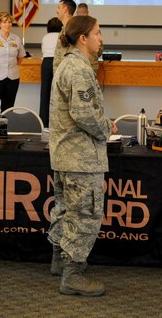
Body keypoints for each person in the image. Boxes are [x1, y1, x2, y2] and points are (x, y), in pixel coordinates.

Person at [47, 15, 116, 297]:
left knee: (64, 210)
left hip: (66, 154)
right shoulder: (79, 69)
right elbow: (84, 112)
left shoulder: (69, 64)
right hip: (81, 157)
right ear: (83, 38)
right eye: (98, 33)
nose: (102, 38)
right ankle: (73, 274)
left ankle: (59, 262)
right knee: (85, 214)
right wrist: (106, 129)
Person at [39, 17, 63, 127]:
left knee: (45, 93)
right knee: (58, 94)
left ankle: (43, 123)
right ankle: (57, 123)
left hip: (46, 63)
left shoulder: (45, 37)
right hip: (57, 63)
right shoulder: (61, 37)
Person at [52, 0, 76, 74]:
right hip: (61, 73)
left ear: (65, 9)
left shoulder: (73, 28)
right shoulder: (64, 28)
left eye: (59, 7)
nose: (56, 11)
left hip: (67, 74)